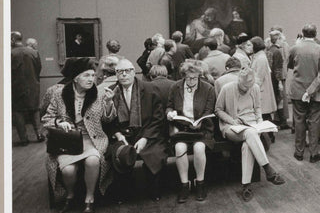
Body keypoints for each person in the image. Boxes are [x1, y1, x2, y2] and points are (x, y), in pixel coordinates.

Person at [42, 57, 115, 213]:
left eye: (93, 75)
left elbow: (108, 120)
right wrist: (59, 121)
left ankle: (89, 199)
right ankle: (70, 195)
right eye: (86, 76)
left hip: (92, 138)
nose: (91, 79)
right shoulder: (59, 94)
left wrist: (109, 104)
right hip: (68, 140)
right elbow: (46, 118)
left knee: (93, 160)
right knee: (68, 171)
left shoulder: (100, 93)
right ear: (76, 78)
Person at [215, 68, 285, 202]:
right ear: (238, 81)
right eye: (243, 87)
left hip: (252, 125)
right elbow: (218, 110)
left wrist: (259, 122)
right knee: (251, 133)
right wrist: (232, 120)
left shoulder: (255, 88)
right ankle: (268, 169)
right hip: (232, 126)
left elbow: (257, 108)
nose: (246, 89)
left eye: (249, 86)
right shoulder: (227, 89)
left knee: (247, 145)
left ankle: (246, 186)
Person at [106, 59, 168, 203]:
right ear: (116, 74)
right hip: (122, 134)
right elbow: (107, 121)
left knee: (154, 153)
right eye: (119, 72)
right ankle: (125, 192)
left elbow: (158, 118)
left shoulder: (149, 89)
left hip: (147, 132)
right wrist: (118, 134)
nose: (123, 75)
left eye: (127, 71)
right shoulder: (111, 91)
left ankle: (154, 189)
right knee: (118, 154)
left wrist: (145, 138)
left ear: (134, 72)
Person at [166, 60, 216, 203]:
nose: (191, 81)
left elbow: (208, 110)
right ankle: (184, 184)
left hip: (202, 128)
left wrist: (200, 122)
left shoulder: (208, 88)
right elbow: (169, 106)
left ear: (199, 75)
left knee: (199, 148)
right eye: (188, 78)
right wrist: (170, 113)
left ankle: (200, 183)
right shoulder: (175, 87)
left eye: (194, 78)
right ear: (183, 76)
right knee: (179, 148)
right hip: (182, 128)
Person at [288, 24, 320, 163]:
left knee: (299, 121)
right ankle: (314, 153)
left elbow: (290, 65)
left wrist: (305, 91)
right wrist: (311, 90)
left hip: (298, 90)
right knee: (314, 122)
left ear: (303, 33)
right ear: (316, 34)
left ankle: (299, 152)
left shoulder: (295, 48)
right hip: (316, 92)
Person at [11, 31, 44, 145]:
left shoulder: (10, 53)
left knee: (18, 112)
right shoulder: (34, 52)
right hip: (33, 85)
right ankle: (39, 135)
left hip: (16, 87)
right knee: (35, 110)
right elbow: (39, 69)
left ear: (12, 40)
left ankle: (24, 139)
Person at [266, 30, 289, 131]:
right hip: (276, 79)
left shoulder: (269, 50)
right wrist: (280, 82)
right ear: (278, 39)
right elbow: (278, 69)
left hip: (269, 79)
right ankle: (282, 122)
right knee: (280, 100)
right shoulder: (277, 52)